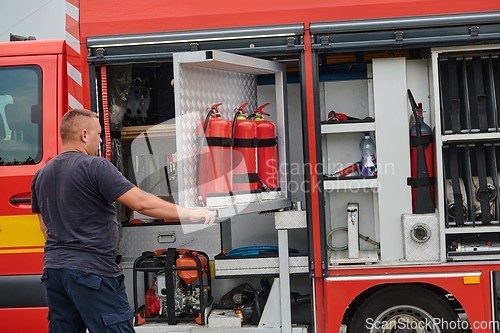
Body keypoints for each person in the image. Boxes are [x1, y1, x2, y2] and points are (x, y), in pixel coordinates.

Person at [31, 108, 216, 333]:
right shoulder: (95, 166)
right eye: (98, 134)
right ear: (84, 135)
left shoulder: (42, 174)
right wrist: (190, 213)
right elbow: (141, 203)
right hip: (92, 272)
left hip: (55, 272)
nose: (100, 140)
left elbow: (44, 227)